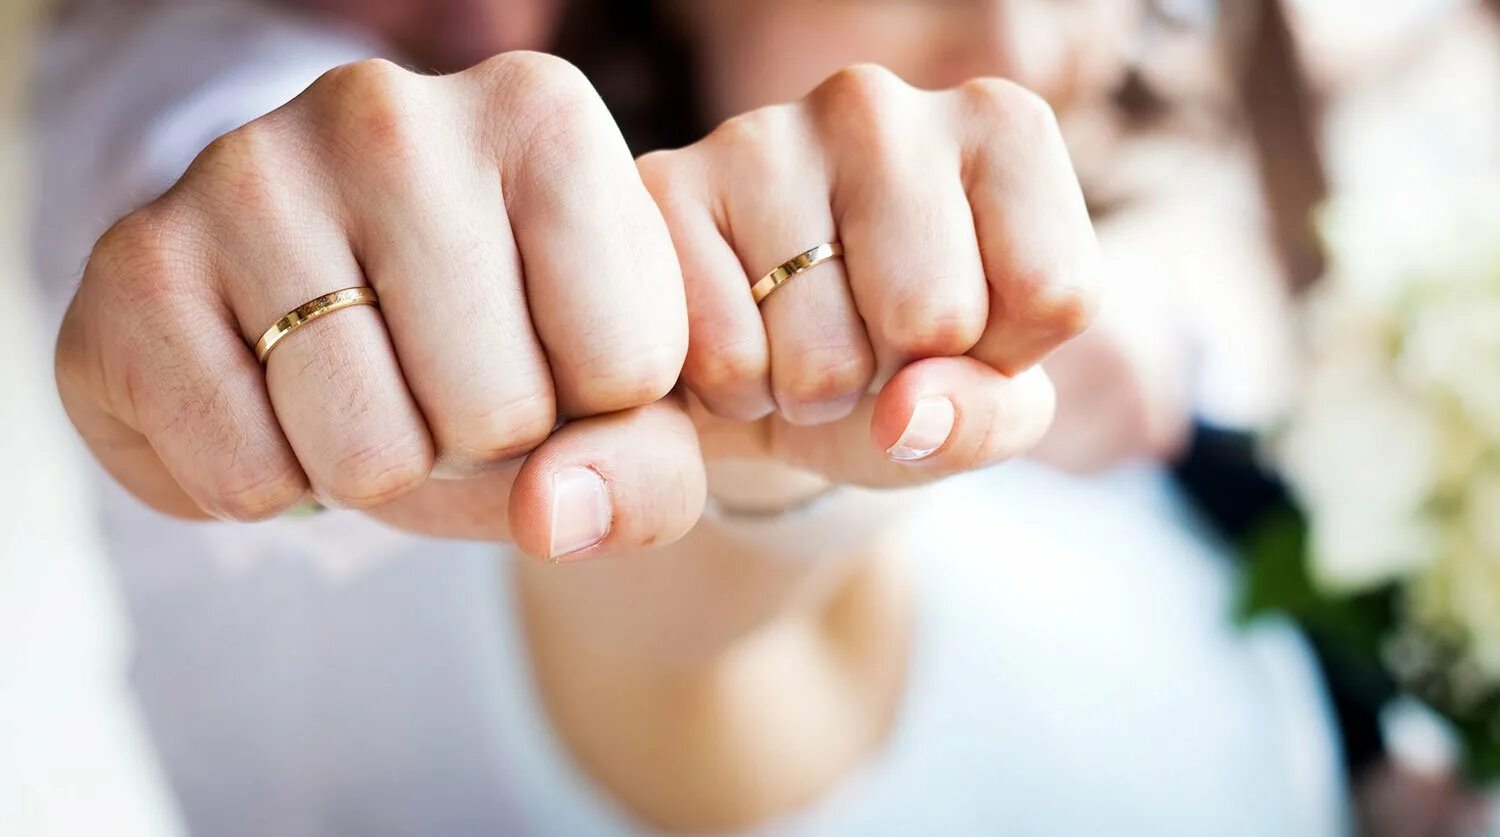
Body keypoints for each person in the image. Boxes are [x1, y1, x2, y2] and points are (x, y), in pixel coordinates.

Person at [32, 0, 1344, 833]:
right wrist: (757, 468)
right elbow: (679, 638)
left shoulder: (1137, 357)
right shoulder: (515, 353)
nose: (1014, 45)